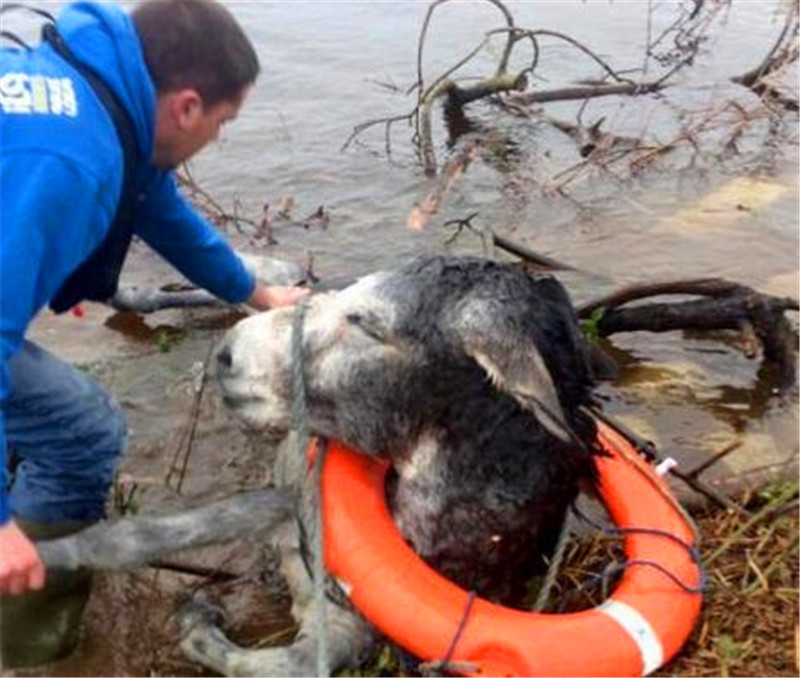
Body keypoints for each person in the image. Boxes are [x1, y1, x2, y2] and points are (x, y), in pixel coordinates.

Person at [0, 0, 308, 664]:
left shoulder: (97, 97)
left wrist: (256, 294)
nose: (217, 139)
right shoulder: (68, 160)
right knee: (82, 433)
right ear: (188, 106)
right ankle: (27, 648)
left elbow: (158, 208)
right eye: (223, 123)